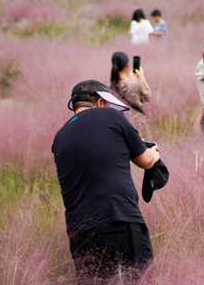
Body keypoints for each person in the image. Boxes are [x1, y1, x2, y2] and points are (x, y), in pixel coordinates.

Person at [52, 80, 160, 284]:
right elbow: (144, 161)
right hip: (119, 220)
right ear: (101, 102)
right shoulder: (111, 115)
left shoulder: (59, 137)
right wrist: (153, 153)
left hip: (80, 234)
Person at [110, 52, 152, 126]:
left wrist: (131, 79)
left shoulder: (109, 85)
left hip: (119, 122)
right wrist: (142, 77)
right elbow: (147, 95)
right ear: (127, 65)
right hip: (138, 122)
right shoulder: (135, 83)